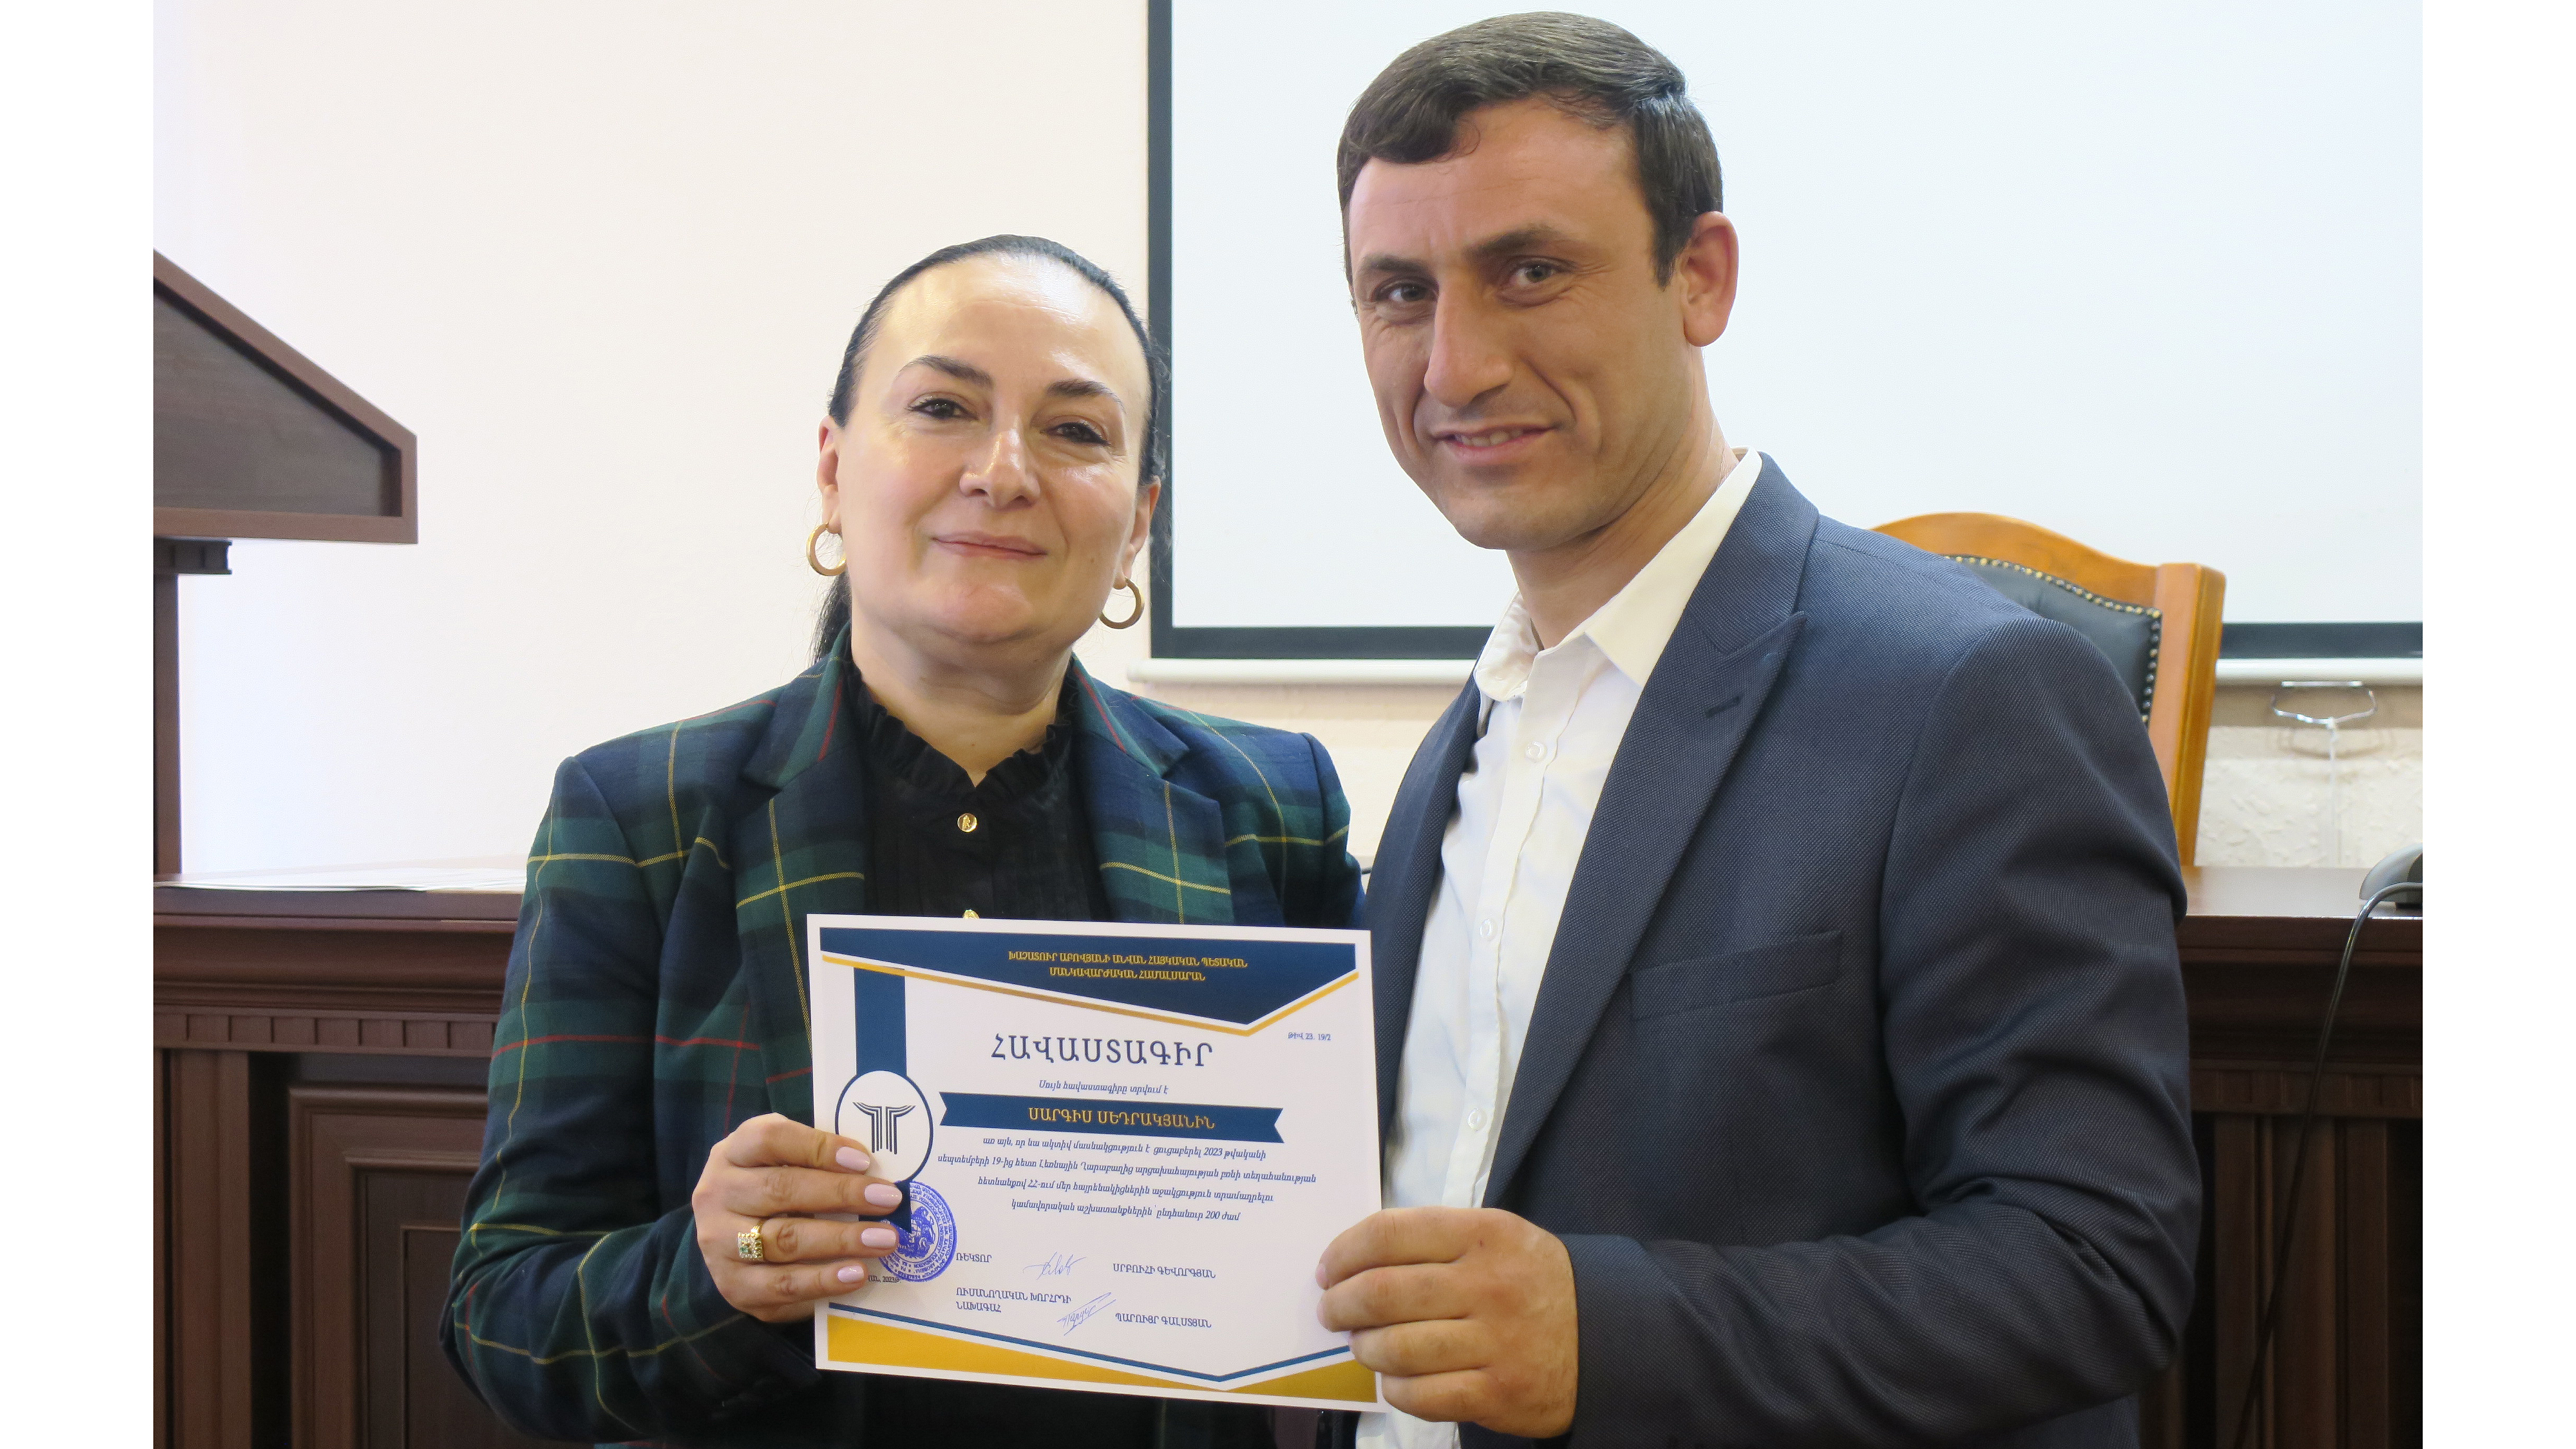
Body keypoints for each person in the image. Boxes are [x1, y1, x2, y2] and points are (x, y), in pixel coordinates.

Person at [1309, 15, 2199, 1449]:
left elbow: (2092, 1265)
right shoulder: (1463, 743)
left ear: (1701, 278)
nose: (1455, 365)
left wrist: (1608, 1333)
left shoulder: (1973, 697)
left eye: (1530, 272)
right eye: (1399, 293)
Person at [442, 234, 1360, 1448]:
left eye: (1076, 430)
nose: (1004, 471)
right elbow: (503, 1317)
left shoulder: (1271, 806)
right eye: (943, 408)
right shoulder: (641, 816)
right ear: (833, 472)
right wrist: (712, 1274)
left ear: (1139, 522)